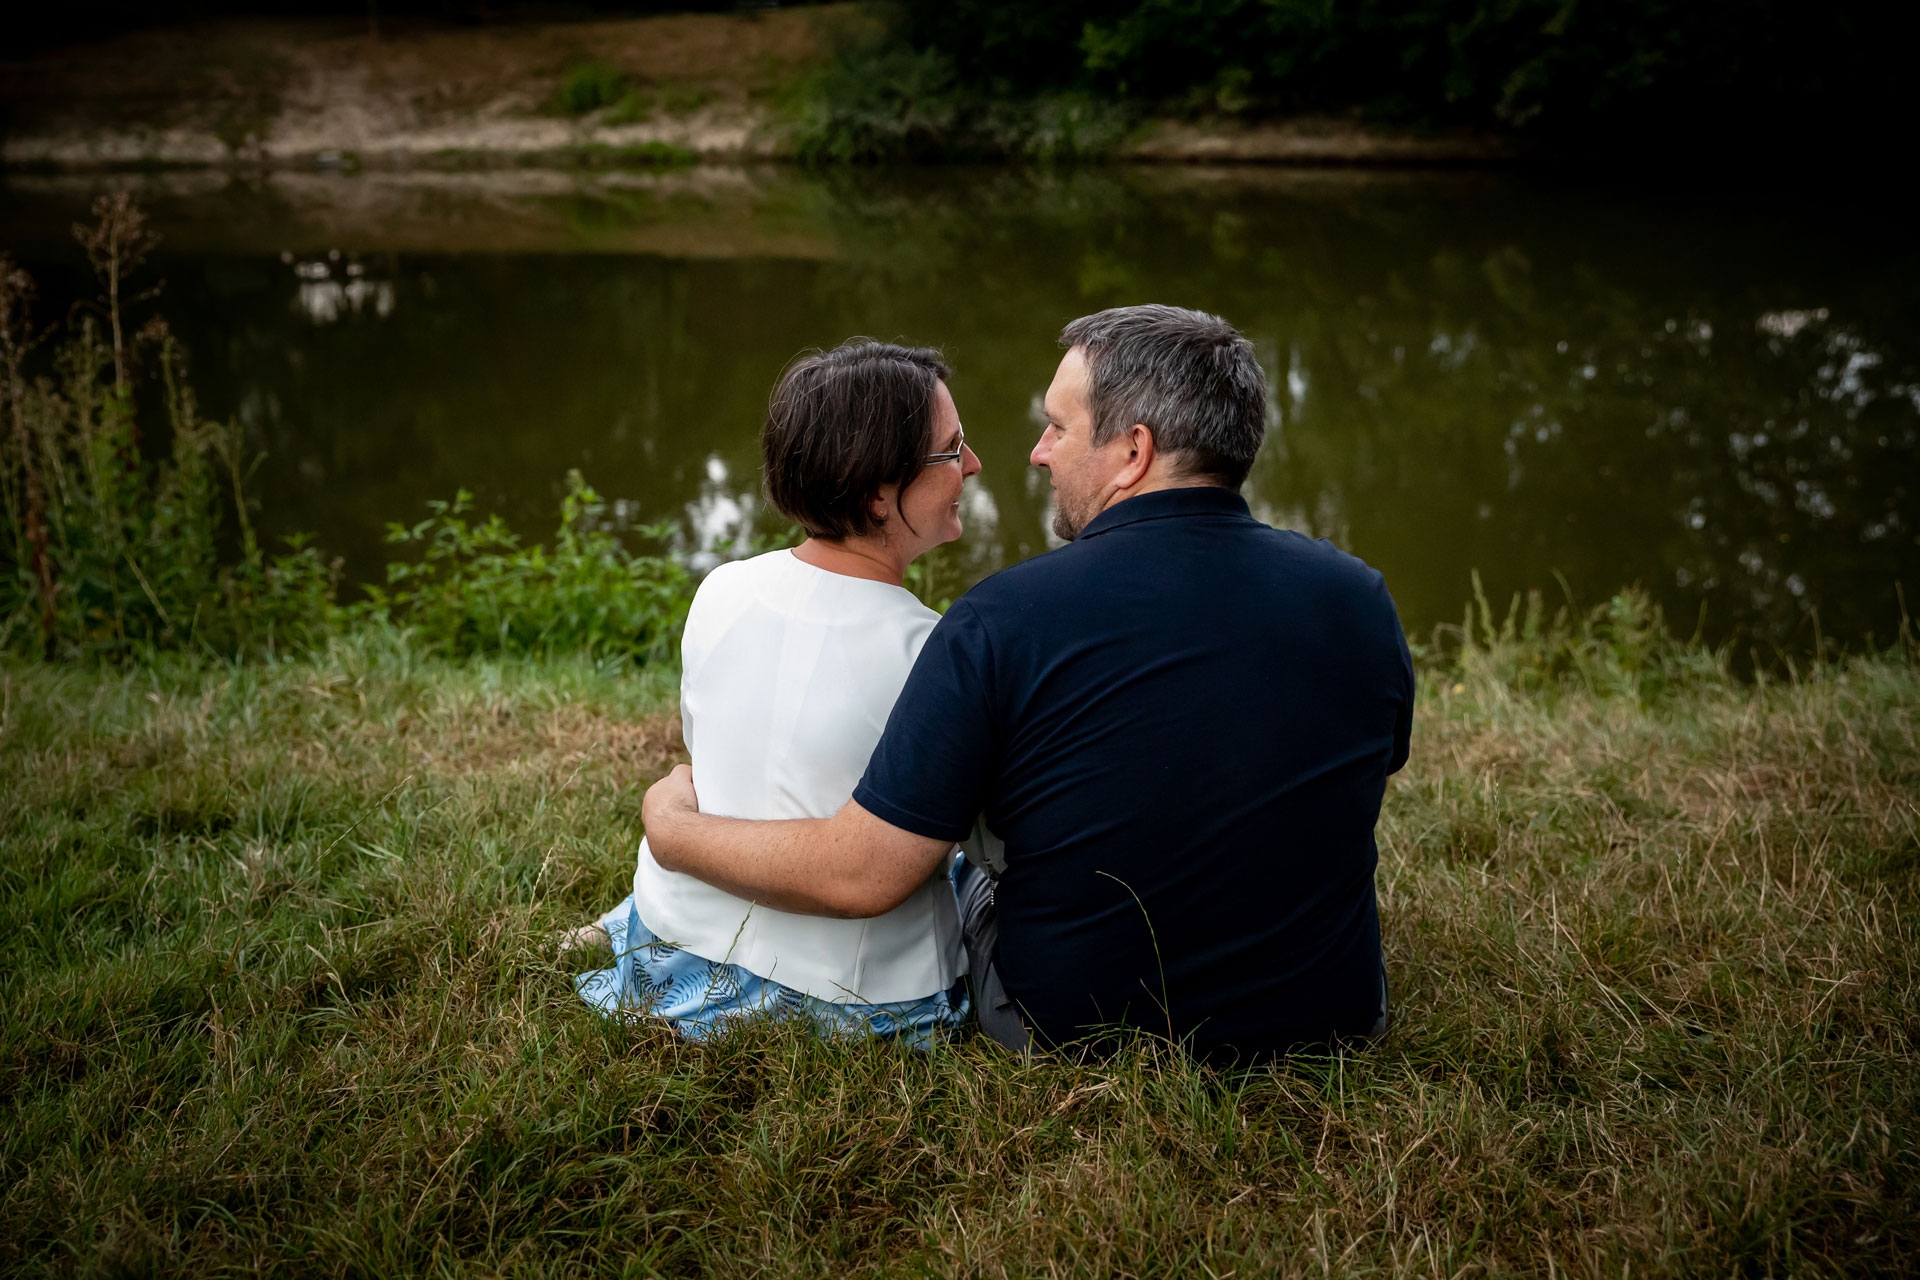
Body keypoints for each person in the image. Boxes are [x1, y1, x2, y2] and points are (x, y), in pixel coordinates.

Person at [641, 304, 1415, 1064]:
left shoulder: (1003, 618)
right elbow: (1364, 766)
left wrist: (674, 832)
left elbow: (867, 869)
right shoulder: (1358, 597)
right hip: (1331, 1017)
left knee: (963, 852)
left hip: (1077, 1027)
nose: (1037, 453)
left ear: (1133, 451)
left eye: (1058, 426)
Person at [574, 339, 982, 1048]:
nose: (971, 467)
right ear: (878, 495)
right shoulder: (934, 650)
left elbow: (719, 775)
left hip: (672, 947)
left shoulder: (722, 587)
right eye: (951, 453)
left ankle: (612, 932)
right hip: (856, 1000)